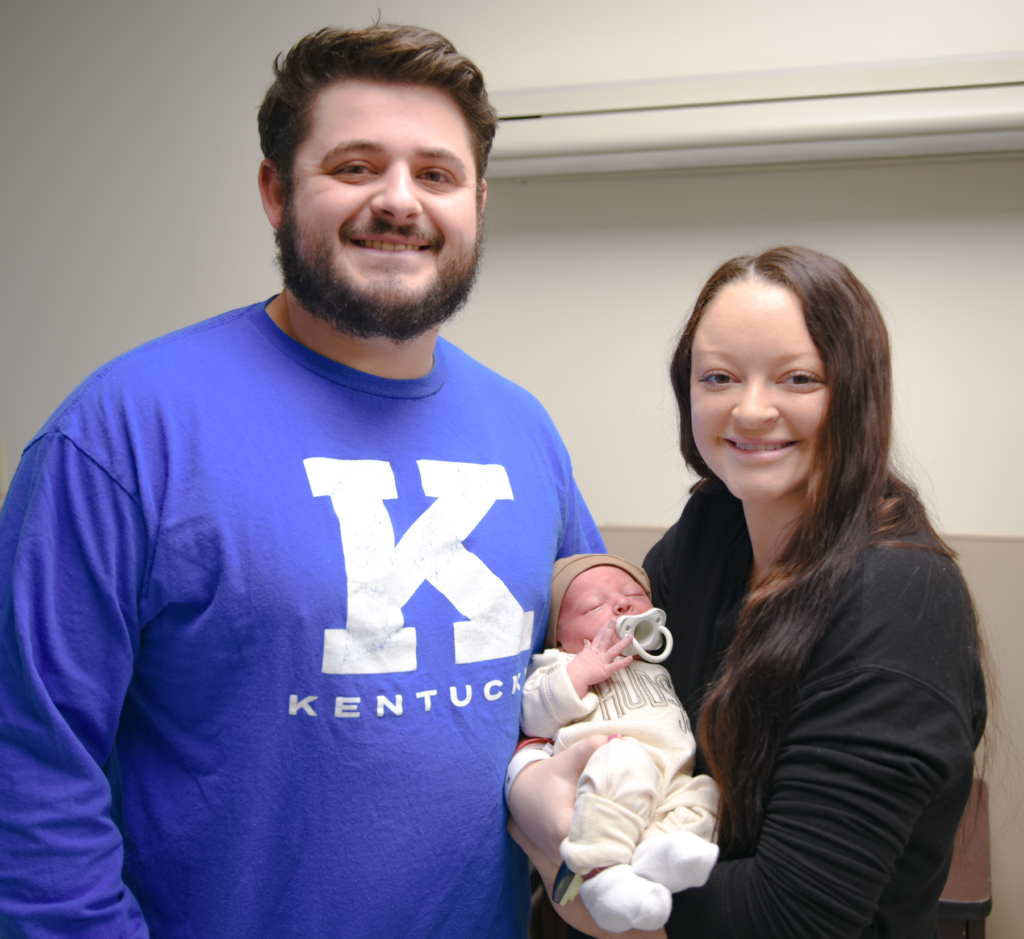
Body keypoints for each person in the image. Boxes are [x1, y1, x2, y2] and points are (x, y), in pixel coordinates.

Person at [0, 25, 604, 939]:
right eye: (355, 167)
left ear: (478, 201)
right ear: (276, 192)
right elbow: (30, 767)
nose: (399, 201)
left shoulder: (525, 432)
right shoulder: (123, 432)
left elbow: (578, 690)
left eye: (436, 175)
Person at [508, 246, 986, 939]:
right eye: (720, 376)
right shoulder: (711, 531)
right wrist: (531, 774)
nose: (752, 409)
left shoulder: (902, 602)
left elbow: (786, 918)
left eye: (797, 377)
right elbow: (623, 698)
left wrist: (571, 871)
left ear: (856, 394)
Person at [517, 554, 718, 933]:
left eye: (633, 595)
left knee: (708, 794)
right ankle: (600, 874)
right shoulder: (558, 665)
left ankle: (659, 852)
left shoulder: (656, 664)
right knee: (626, 760)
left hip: (670, 777)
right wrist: (579, 672)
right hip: (606, 773)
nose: (622, 603)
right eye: (595, 604)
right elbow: (532, 717)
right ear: (559, 634)